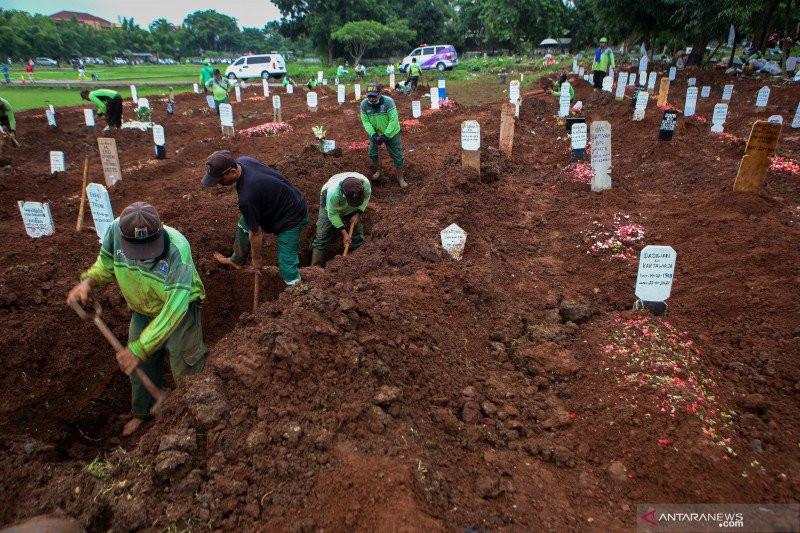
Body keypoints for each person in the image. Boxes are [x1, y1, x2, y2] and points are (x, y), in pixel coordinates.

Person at [66, 202, 207, 437]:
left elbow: (174, 309)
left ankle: (191, 417)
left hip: (179, 311)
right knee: (138, 365)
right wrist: (88, 281)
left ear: (161, 228)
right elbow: (106, 264)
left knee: (186, 366)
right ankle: (141, 413)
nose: (143, 257)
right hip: (142, 309)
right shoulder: (114, 231)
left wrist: (140, 347)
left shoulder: (177, 250)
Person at [202, 151, 309, 286]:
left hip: (292, 217)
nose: (219, 184)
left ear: (233, 171)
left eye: (220, 180)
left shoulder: (247, 196)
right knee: (244, 224)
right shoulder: (244, 160)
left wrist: (256, 259)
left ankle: (297, 291)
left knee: (287, 266)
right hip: (278, 202)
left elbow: (256, 233)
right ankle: (236, 260)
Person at [310, 172, 371, 266]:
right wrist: (344, 233)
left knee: (357, 234)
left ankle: (359, 264)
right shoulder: (333, 194)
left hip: (350, 206)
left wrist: (358, 213)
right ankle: (315, 269)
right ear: (344, 193)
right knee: (322, 236)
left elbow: (367, 196)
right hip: (330, 207)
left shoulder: (364, 183)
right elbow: (333, 214)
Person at [360, 83, 406, 188]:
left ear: (380, 94)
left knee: (397, 156)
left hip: (392, 133)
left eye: (374, 96)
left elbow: (393, 120)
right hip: (376, 133)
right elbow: (366, 121)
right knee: (372, 153)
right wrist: (372, 134)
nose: (371, 99)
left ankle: (400, 177)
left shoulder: (388, 102)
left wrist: (386, 135)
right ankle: (378, 170)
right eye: (369, 96)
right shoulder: (364, 105)